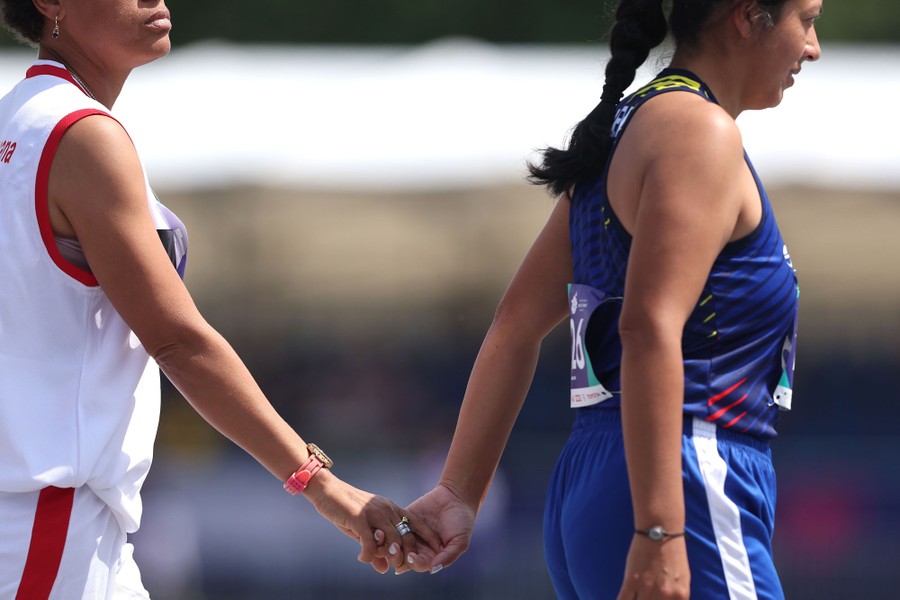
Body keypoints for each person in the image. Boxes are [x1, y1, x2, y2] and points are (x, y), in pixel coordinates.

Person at [0, 1, 438, 597]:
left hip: (46, 513)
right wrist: (324, 486)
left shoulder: (16, 120)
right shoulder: (80, 134)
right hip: (44, 519)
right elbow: (178, 340)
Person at [401, 0, 822, 598]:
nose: (813, 47)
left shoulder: (630, 125)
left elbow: (517, 324)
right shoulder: (698, 132)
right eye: (806, 19)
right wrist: (659, 530)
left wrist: (457, 491)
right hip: (681, 476)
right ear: (747, 16)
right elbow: (649, 325)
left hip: (598, 478)